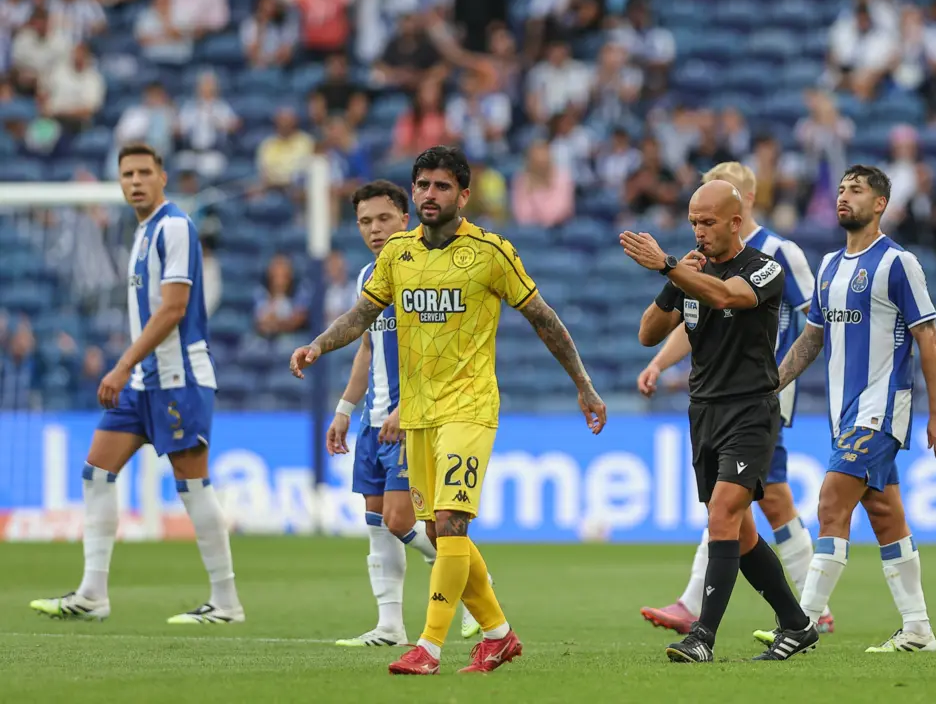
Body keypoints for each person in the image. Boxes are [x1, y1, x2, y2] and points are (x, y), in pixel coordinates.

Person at [290, 145, 606, 675]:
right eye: (422, 186)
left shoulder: (491, 252)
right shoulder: (398, 255)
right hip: (417, 414)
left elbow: (544, 319)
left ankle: (428, 647)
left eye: (441, 187)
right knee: (438, 531)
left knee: (454, 521)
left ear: (463, 194)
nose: (430, 195)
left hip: (470, 406)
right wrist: (319, 345)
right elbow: (362, 315)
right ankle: (500, 634)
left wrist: (584, 384)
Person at [29, 144, 243, 625]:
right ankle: (92, 594)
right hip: (144, 382)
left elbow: (173, 308)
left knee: (192, 488)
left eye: (145, 172)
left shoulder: (174, 226)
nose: (135, 181)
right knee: (96, 473)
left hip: (178, 378)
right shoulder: (144, 232)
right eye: (127, 173)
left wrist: (121, 364)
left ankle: (226, 601)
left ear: (162, 176)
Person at [635, 162, 836, 641]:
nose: (700, 231)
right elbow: (648, 332)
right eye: (694, 223)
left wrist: (669, 265)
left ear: (735, 219)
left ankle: (702, 634)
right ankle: (797, 622)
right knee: (741, 530)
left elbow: (727, 298)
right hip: (704, 410)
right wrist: (675, 277)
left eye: (708, 222)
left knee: (725, 512)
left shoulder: (767, 266)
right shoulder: (694, 273)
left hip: (751, 408)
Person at [774, 164, 936, 653]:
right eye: (840, 190)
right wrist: (771, 384)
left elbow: (928, 336)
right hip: (844, 414)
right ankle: (918, 628)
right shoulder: (830, 265)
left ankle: (802, 625)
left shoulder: (899, 263)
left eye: (856, 190)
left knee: (832, 502)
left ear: (880, 204)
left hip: (882, 407)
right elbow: (812, 340)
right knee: (885, 515)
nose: (844, 197)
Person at [326, 180, 483, 647]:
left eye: (384, 219)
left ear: (406, 218)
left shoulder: (424, 273)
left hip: (414, 418)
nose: (375, 230)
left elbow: (440, 352)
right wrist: (344, 408)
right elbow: (367, 349)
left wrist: (405, 406)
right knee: (377, 523)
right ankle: (389, 625)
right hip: (373, 421)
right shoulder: (368, 277)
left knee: (402, 520)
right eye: (365, 222)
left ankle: (475, 588)